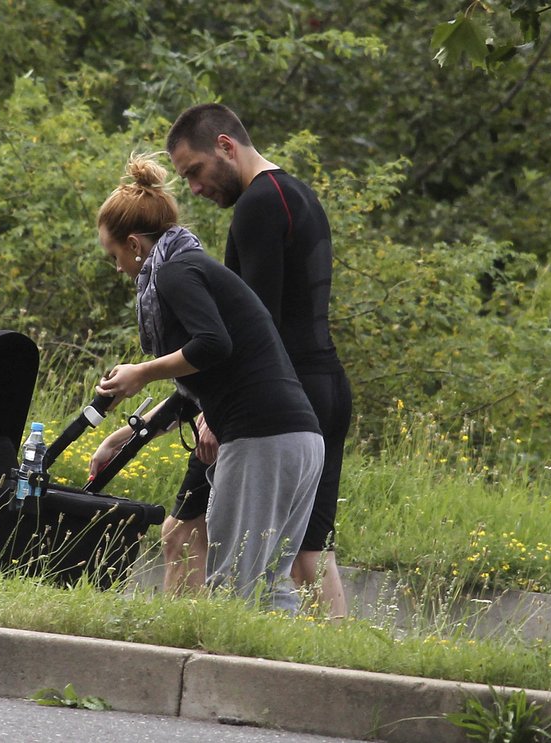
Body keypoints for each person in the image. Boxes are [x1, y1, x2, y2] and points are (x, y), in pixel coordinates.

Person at [89, 153, 324, 612]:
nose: (117, 267)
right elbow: (195, 381)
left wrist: (141, 372)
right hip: (298, 438)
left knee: (232, 589)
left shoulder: (176, 271)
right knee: (267, 587)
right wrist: (124, 436)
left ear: (135, 244)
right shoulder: (191, 266)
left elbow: (214, 346)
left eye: (113, 255)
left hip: (260, 439)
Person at [164, 103, 353, 618]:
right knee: (306, 557)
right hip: (324, 390)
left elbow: (254, 326)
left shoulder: (257, 206)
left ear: (226, 145)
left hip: (272, 400)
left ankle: (189, 642)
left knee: (184, 534)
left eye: (196, 172)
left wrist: (214, 414)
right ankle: (340, 668)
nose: (196, 189)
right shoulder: (297, 194)